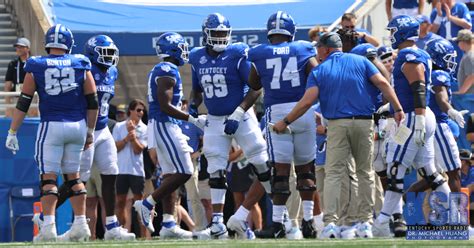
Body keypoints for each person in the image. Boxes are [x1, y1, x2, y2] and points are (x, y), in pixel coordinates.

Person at [272, 32, 404, 239]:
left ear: (325, 49)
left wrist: (285, 121)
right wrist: (397, 108)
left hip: (337, 125)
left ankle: (331, 223)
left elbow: (307, 101)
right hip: (364, 122)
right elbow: (384, 83)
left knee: (334, 173)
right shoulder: (360, 61)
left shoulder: (320, 69)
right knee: (365, 172)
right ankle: (365, 223)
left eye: (318, 49)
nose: (317, 52)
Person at [5, 24, 97, 242]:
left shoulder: (36, 64)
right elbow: (93, 102)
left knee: (48, 179)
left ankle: (48, 227)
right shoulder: (80, 63)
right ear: (68, 43)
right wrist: (90, 131)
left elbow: (24, 101)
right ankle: (81, 224)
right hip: (77, 126)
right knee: (73, 176)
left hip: (52, 126)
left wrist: (13, 130)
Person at [188, 13, 270, 240]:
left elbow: (255, 88)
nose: (221, 38)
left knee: (262, 162)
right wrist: (194, 106)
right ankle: (217, 223)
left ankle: (277, 217)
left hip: (241, 115)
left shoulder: (236, 54)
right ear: (206, 34)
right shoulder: (196, 57)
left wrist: (239, 111)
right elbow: (196, 90)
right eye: (217, 34)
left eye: (224, 33)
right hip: (214, 118)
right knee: (215, 167)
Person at [372, 15, 451, 237]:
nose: (391, 35)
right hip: (417, 115)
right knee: (429, 173)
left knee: (395, 168)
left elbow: (418, 88)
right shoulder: (416, 53)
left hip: (413, 117)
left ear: (403, 32)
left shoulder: (409, 54)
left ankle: (383, 222)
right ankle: (457, 218)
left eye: (393, 31)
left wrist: (416, 120)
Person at [134, 32, 207, 239]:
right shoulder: (167, 69)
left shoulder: (165, 69)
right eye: (181, 47)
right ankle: (147, 203)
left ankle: (168, 224)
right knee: (184, 171)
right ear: (173, 49)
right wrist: (192, 120)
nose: (184, 52)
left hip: (164, 124)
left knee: (170, 175)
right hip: (166, 124)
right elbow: (165, 106)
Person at [426, 38, 468, 192]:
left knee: (434, 177)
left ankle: (396, 205)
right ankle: (458, 215)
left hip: (429, 124)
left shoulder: (429, 73)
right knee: (454, 171)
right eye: (448, 58)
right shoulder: (439, 75)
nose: (451, 62)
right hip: (438, 126)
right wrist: (451, 111)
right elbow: (441, 98)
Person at [113, 99, 148, 238]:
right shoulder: (118, 126)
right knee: (120, 202)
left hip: (137, 171)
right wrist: (127, 138)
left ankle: (144, 235)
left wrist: (133, 137)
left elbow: (138, 150)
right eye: (138, 110)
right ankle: (121, 233)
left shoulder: (145, 128)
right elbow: (115, 147)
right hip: (121, 170)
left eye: (142, 110)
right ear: (131, 111)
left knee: (140, 204)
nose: (141, 113)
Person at [430, 0, 472, 66]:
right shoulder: (436, 11)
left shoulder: (460, 7)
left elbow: (468, 25)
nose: (444, 2)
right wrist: (439, 16)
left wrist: (450, 17)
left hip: (459, 48)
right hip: (444, 50)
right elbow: (431, 33)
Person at [4, 37, 32, 117]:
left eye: (21, 47)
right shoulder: (13, 64)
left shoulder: (34, 63)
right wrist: (8, 104)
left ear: (28, 48)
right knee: (13, 118)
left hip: (32, 96)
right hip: (17, 95)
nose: (18, 49)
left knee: (33, 116)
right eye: (17, 47)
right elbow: (8, 85)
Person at [454, 29, 474, 94]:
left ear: (463, 42)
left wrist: (461, 92)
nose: (458, 45)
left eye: (457, 42)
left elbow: (472, 76)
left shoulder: (469, 56)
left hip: (470, 96)